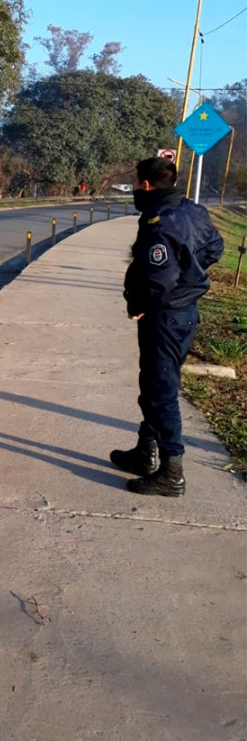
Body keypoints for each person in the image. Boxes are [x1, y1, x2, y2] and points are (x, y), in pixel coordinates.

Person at [111, 156, 223, 496]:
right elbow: (214, 248)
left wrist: (138, 304)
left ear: (144, 184)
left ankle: (171, 471)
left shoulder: (159, 223)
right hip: (184, 312)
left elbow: (160, 278)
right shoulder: (193, 210)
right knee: (156, 385)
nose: (133, 188)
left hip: (164, 316)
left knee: (161, 392)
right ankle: (147, 452)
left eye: (134, 183)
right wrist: (191, 274)